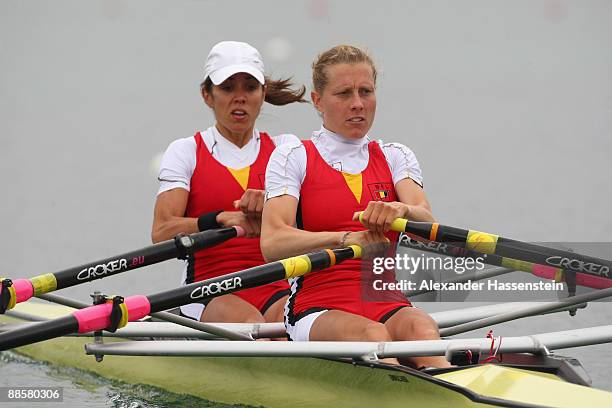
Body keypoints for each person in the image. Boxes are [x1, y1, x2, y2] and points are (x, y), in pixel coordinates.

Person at [261, 45, 450, 367]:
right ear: (318, 101)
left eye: (366, 91)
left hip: (386, 300)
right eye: (344, 93)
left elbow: (427, 223)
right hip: (317, 306)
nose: (358, 104)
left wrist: (402, 212)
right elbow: (273, 242)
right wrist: (345, 239)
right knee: (372, 336)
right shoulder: (294, 156)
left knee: (421, 327)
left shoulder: (395, 156)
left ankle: (449, 388)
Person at [152, 41, 306, 324]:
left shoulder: (286, 150)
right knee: (253, 326)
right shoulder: (186, 151)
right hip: (209, 290)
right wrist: (219, 219)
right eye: (227, 88)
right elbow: (162, 231)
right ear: (207, 95)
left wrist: (273, 206)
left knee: (286, 324)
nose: (240, 98)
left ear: (263, 94)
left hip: (276, 286)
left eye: (249, 87)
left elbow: (312, 220)